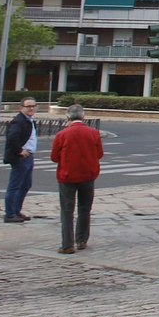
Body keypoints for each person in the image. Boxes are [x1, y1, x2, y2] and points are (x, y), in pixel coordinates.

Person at [50, 103, 103, 253]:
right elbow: (99, 154)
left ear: (67, 118)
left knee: (67, 210)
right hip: (88, 175)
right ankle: (82, 239)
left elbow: (54, 157)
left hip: (67, 176)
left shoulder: (62, 134)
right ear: (83, 117)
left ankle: (67, 244)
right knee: (84, 208)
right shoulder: (93, 133)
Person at [2, 97, 38, 223]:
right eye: (28, 106)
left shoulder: (29, 120)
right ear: (21, 108)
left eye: (33, 106)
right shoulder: (19, 121)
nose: (31, 108)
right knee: (15, 186)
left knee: (26, 185)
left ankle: (16, 211)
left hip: (29, 156)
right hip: (21, 158)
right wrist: (19, 151)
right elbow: (12, 137)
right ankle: (10, 214)